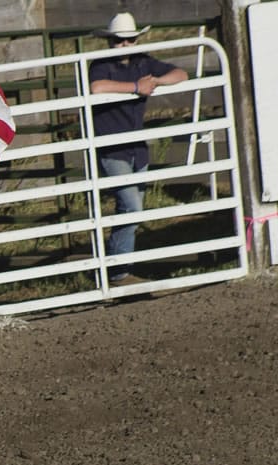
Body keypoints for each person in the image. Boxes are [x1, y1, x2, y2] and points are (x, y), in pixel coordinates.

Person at [89, 12, 188, 284]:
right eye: (119, 41)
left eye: (130, 40)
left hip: (136, 148)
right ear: (110, 42)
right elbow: (96, 87)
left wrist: (155, 81)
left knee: (131, 208)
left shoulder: (144, 62)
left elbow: (180, 73)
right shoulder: (101, 65)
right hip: (113, 147)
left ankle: (117, 266)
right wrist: (136, 87)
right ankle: (119, 272)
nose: (125, 45)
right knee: (131, 206)